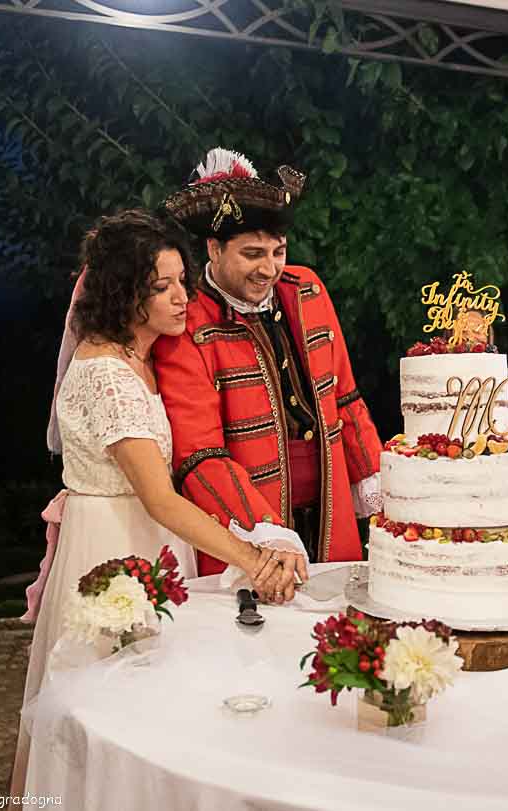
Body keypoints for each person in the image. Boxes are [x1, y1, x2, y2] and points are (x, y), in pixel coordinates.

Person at [13, 209, 307, 793]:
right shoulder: (106, 377)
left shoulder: (137, 359)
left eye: (181, 282)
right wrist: (254, 559)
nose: (182, 299)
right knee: (112, 715)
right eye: (161, 287)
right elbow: (160, 499)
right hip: (112, 554)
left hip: (147, 546)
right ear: (124, 294)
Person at [156, 148, 383, 574]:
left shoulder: (308, 289)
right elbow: (199, 455)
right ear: (214, 249)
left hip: (330, 515)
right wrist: (263, 529)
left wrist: (373, 477)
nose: (269, 268)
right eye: (253, 254)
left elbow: (346, 398)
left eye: (278, 252)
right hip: (244, 529)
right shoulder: (187, 323)